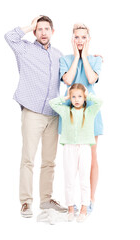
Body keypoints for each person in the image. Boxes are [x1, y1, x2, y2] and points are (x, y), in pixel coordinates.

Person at [4, 15, 67, 218]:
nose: (43, 32)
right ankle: (26, 202)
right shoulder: (24, 49)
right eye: (39, 29)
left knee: (49, 161)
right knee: (28, 159)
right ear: (35, 31)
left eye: (46, 29)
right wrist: (30, 25)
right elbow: (9, 36)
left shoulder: (59, 55)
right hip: (32, 111)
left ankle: (46, 200)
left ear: (52, 31)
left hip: (53, 113)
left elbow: (69, 76)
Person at [59, 23, 103, 213]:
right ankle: (71, 202)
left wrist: (84, 57)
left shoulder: (95, 60)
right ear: (72, 39)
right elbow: (68, 80)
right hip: (70, 112)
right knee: (71, 159)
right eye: (76, 37)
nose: (80, 40)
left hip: (90, 113)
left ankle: (90, 199)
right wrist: (76, 57)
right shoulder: (65, 59)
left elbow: (91, 79)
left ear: (88, 39)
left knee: (91, 156)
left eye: (83, 37)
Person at [49, 83, 103, 222]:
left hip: (85, 147)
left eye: (79, 96)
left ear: (83, 98)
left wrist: (87, 94)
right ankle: (71, 209)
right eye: (74, 97)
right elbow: (52, 103)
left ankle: (84, 209)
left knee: (84, 179)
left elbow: (100, 102)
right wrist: (66, 96)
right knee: (69, 179)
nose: (77, 99)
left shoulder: (89, 112)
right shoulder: (66, 111)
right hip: (69, 148)